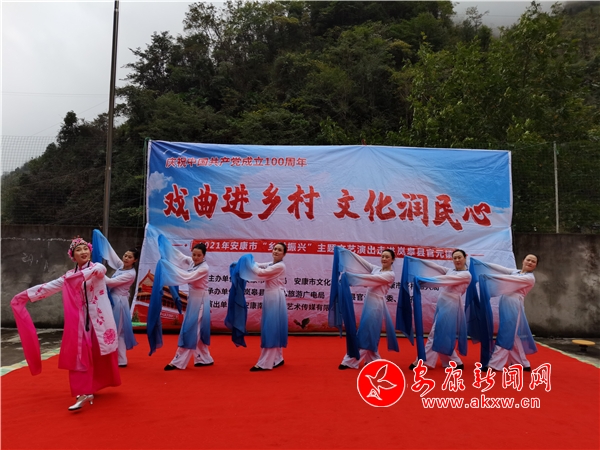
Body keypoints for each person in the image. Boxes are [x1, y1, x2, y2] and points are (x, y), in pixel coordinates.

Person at [10, 237, 120, 411]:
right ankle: (83, 391)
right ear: (73, 256)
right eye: (78, 250)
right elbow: (49, 287)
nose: (83, 252)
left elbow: (96, 272)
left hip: (100, 319)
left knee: (98, 355)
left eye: (85, 248)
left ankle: (93, 386)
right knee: (80, 355)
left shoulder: (98, 267)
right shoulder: (69, 276)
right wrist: (23, 296)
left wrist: (75, 278)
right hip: (80, 323)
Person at [409, 249, 472, 371]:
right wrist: (416, 261)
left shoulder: (466, 275)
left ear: (465, 257)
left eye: (459, 257)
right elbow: (435, 267)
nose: (457, 260)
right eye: (455, 258)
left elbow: (444, 280)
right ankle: (455, 362)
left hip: (451, 304)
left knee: (436, 332)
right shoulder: (451, 271)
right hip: (443, 303)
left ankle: (423, 361)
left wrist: (422, 281)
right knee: (443, 333)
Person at [338, 248, 399, 370]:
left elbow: (371, 280)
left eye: (387, 257)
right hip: (369, 302)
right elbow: (362, 262)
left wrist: (349, 277)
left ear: (392, 260)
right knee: (371, 331)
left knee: (365, 331)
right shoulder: (376, 269)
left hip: (376, 304)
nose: (384, 259)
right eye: (382, 256)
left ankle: (350, 361)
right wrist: (345, 253)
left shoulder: (390, 275)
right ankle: (373, 359)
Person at [477, 254, 539, 372]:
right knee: (512, 334)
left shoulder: (529, 278)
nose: (530, 262)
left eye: (533, 261)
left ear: (535, 265)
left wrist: (488, 277)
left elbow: (507, 280)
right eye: (528, 260)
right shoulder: (515, 272)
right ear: (523, 261)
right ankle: (522, 363)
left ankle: (494, 364)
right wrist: (482, 264)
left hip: (514, 304)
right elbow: (500, 268)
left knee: (506, 333)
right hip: (505, 302)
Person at [237, 243, 288, 371]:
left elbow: (260, 272)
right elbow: (258, 265)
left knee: (271, 328)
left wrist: (247, 261)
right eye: (275, 249)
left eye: (279, 250)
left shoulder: (280, 266)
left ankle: (266, 362)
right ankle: (277, 358)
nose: (276, 251)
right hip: (271, 296)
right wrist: (240, 263)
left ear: (284, 254)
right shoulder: (272, 264)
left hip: (275, 297)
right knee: (274, 327)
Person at [164, 242, 214, 370]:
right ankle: (204, 358)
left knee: (189, 330)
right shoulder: (192, 262)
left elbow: (187, 277)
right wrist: (166, 247)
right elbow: (180, 256)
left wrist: (169, 269)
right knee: (197, 330)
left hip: (201, 301)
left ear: (204, 256)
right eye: (194, 254)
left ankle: (178, 361)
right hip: (193, 300)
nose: (195, 257)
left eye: (199, 255)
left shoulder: (204, 268)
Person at [105, 248, 140, 368]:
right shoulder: (122, 267)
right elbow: (112, 255)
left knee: (117, 331)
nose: (126, 258)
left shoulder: (130, 274)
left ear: (135, 260)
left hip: (119, 302)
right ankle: (119, 359)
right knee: (116, 331)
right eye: (125, 255)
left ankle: (119, 359)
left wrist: (97, 271)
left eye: (130, 257)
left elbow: (110, 282)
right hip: (114, 300)